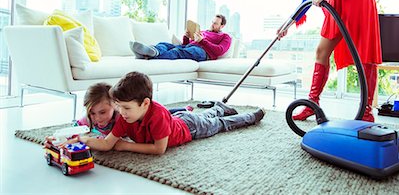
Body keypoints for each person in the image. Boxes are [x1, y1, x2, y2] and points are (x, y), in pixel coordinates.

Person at [278, 0, 382, 122]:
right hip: (336, 3)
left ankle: (367, 113)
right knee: (321, 51)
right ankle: (312, 105)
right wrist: (287, 25)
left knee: (364, 52)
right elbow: (306, 0)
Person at [47, 71, 265, 155]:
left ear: (145, 103)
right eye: (119, 107)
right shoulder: (125, 116)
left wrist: (126, 145)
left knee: (220, 124)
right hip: (179, 120)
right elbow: (105, 143)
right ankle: (218, 107)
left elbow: (159, 149)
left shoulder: (157, 114)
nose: (121, 113)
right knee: (207, 116)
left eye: (126, 108)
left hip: (190, 128)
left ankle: (250, 116)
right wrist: (78, 139)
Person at [74, 82, 194, 137]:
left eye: (102, 112)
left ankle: (184, 109)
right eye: (92, 113)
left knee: (164, 114)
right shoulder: (89, 119)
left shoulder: (123, 115)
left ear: (115, 106)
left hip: (164, 117)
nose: (97, 118)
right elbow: (76, 127)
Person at [129, 14, 232, 62]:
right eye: (212, 22)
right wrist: (186, 37)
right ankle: (153, 51)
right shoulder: (203, 32)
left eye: (215, 23)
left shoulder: (225, 37)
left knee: (177, 51)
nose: (212, 24)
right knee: (165, 44)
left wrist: (202, 41)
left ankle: (147, 56)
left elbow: (219, 51)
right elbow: (186, 45)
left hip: (204, 53)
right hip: (190, 47)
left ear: (222, 26)